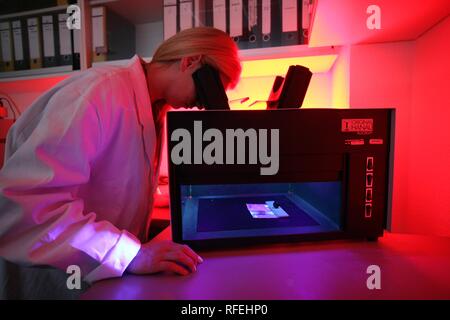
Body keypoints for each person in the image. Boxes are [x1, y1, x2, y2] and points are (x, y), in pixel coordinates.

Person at [0, 27, 242, 283]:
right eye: (205, 92)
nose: (201, 104)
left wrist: (158, 197)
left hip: (101, 275)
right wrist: (130, 254)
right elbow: (26, 211)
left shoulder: (152, 106)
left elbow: (112, 181)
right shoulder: (98, 94)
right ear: (191, 61)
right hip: (60, 279)